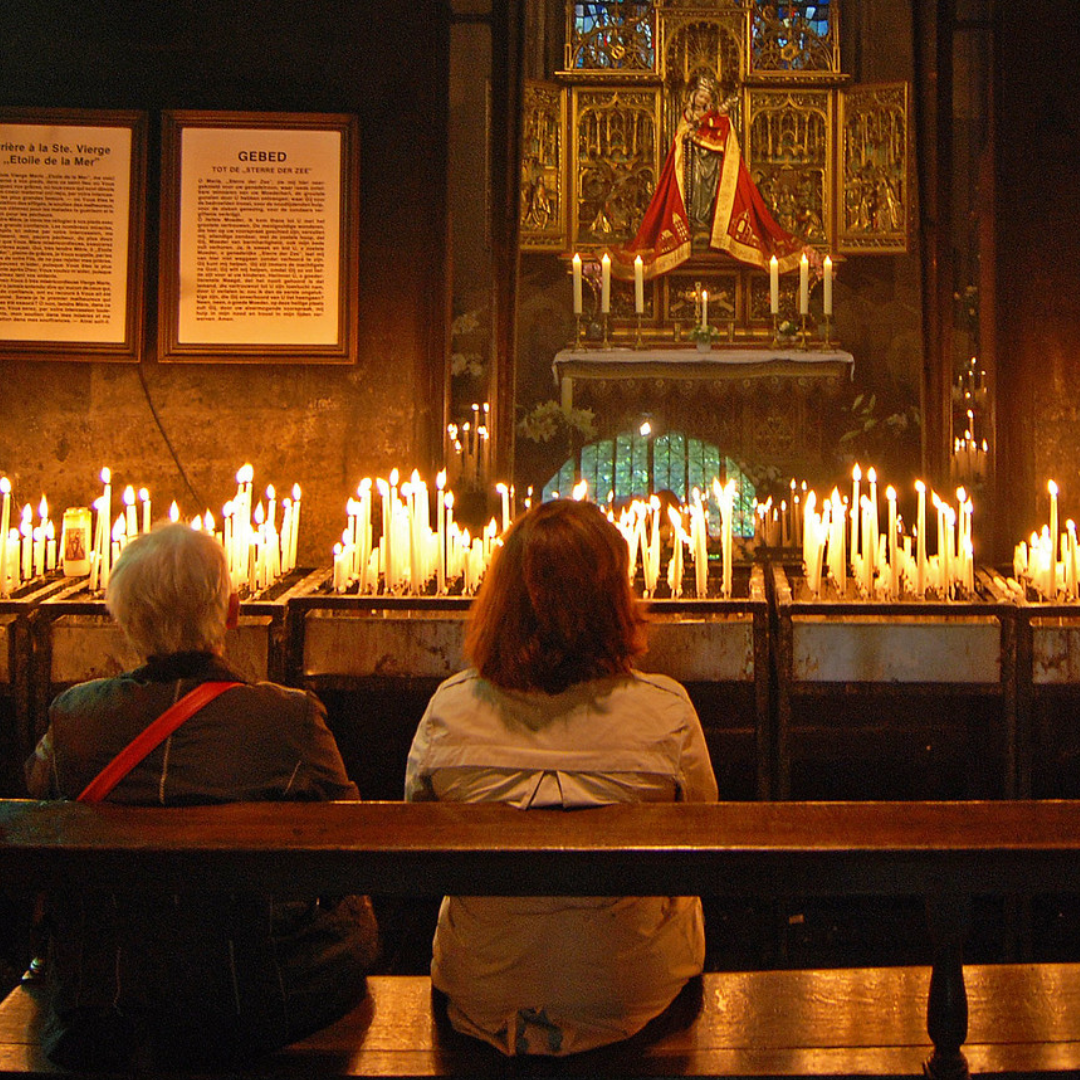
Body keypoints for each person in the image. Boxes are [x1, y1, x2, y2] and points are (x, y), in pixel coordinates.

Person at [24, 523, 378, 1071]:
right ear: (233, 612)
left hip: (108, 1003)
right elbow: (348, 843)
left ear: (123, 620)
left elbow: (37, 794)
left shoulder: (75, 718)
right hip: (260, 999)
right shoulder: (289, 718)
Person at [405, 498, 718, 1056]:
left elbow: (420, 838)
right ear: (614, 600)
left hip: (484, 990)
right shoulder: (666, 712)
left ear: (502, 600)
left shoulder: (449, 711)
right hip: (632, 995)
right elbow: (702, 840)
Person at [613, 74, 811, 280]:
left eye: (706, 98)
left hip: (711, 166)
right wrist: (688, 135)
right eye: (700, 96)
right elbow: (680, 137)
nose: (702, 100)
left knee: (709, 195)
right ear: (693, 95)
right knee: (696, 194)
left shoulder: (714, 117)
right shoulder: (688, 114)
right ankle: (696, 224)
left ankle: (708, 226)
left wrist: (706, 128)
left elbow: (722, 134)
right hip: (693, 167)